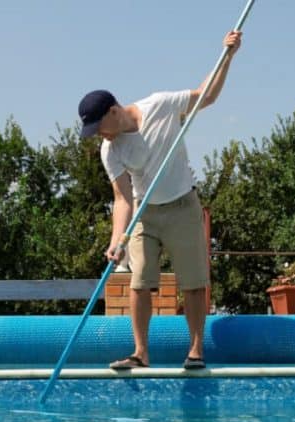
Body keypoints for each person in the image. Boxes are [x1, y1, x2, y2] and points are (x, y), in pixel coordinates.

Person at [77, 30, 242, 370]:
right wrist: (116, 241)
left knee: (193, 283)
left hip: (183, 206)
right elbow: (122, 199)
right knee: (139, 284)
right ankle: (140, 353)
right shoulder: (111, 150)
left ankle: (196, 351)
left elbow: (205, 96)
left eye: (99, 127)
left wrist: (228, 56)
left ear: (113, 111)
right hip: (144, 214)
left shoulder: (159, 106)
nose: (100, 136)